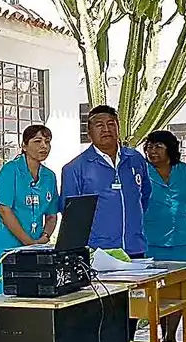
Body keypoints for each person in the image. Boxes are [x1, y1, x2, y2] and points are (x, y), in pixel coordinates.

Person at [142, 129, 186, 342]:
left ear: (170, 149)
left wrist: (185, 213)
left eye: (158, 146)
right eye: (149, 146)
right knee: (158, 290)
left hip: (182, 240)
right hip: (151, 240)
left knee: (180, 289)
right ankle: (160, 333)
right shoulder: (142, 172)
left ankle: (170, 336)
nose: (152, 150)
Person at [60, 104, 152, 258]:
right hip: (99, 252)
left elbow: (144, 196)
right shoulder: (75, 168)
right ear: (89, 132)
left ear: (118, 128)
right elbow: (70, 215)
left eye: (111, 124)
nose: (106, 129)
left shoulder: (135, 159)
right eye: (99, 125)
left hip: (135, 248)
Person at [0, 124, 61, 294]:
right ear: (24, 146)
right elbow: (5, 210)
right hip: (7, 248)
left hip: (36, 249)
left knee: (32, 298)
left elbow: (51, 215)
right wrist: (28, 242)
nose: (44, 146)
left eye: (47, 142)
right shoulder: (10, 170)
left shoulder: (49, 176)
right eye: (37, 141)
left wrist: (45, 237)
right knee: (5, 297)